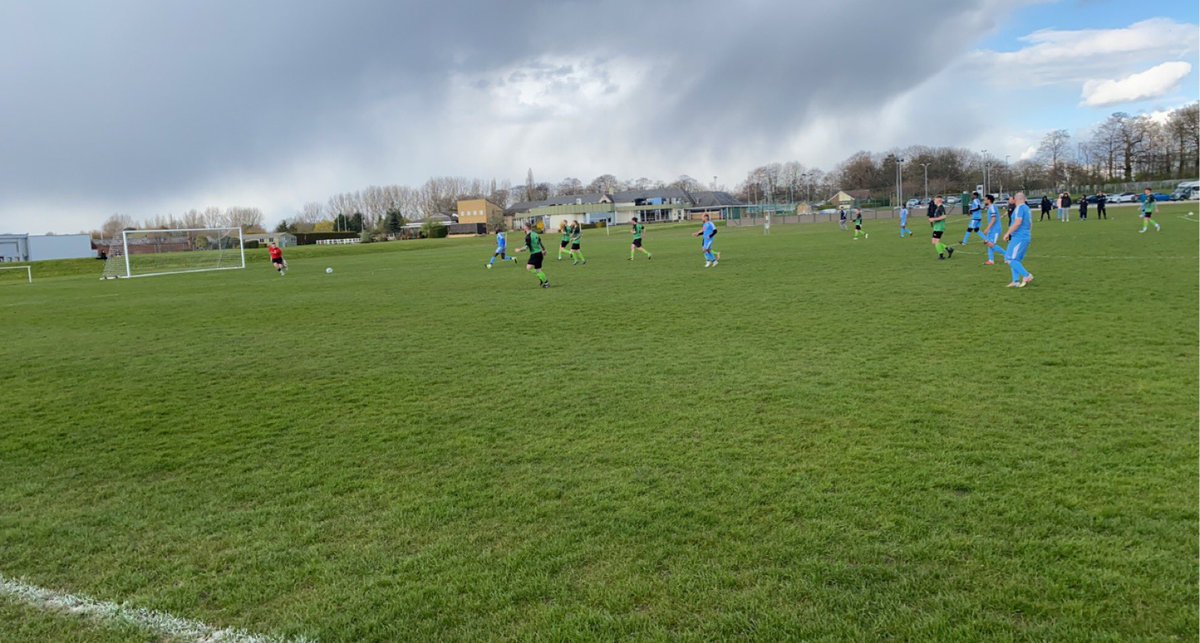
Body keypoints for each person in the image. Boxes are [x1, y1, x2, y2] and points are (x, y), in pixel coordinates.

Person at [1003, 192, 1034, 287]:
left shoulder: (1019, 208)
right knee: (1015, 259)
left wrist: (1008, 233)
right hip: (1024, 236)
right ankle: (1015, 281)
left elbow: (1017, 223)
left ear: (1016, 200)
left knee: (1009, 258)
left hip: (1019, 237)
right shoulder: (1027, 209)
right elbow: (1030, 224)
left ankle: (1027, 275)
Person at [512, 222, 550, 287]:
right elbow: (540, 243)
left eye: (524, 226)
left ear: (526, 227)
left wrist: (519, 250)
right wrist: (544, 250)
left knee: (529, 268)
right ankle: (542, 279)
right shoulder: (535, 234)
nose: (523, 228)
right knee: (538, 270)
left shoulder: (528, 237)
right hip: (539, 254)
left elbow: (526, 247)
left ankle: (546, 282)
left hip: (535, 254)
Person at [981, 194, 1007, 266]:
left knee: (991, 244)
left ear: (989, 200)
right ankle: (991, 260)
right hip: (992, 230)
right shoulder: (990, 207)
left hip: (995, 230)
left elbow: (994, 218)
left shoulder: (992, 207)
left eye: (985, 199)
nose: (984, 201)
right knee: (988, 243)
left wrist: (987, 228)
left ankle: (1007, 255)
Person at [928, 196, 954, 260]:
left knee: (936, 242)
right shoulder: (938, 208)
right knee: (934, 242)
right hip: (937, 227)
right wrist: (933, 219)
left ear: (938, 200)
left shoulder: (941, 208)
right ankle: (948, 249)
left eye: (935, 200)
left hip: (939, 227)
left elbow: (944, 216)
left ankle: (941, 256)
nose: (934, 201)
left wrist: (933, 219)